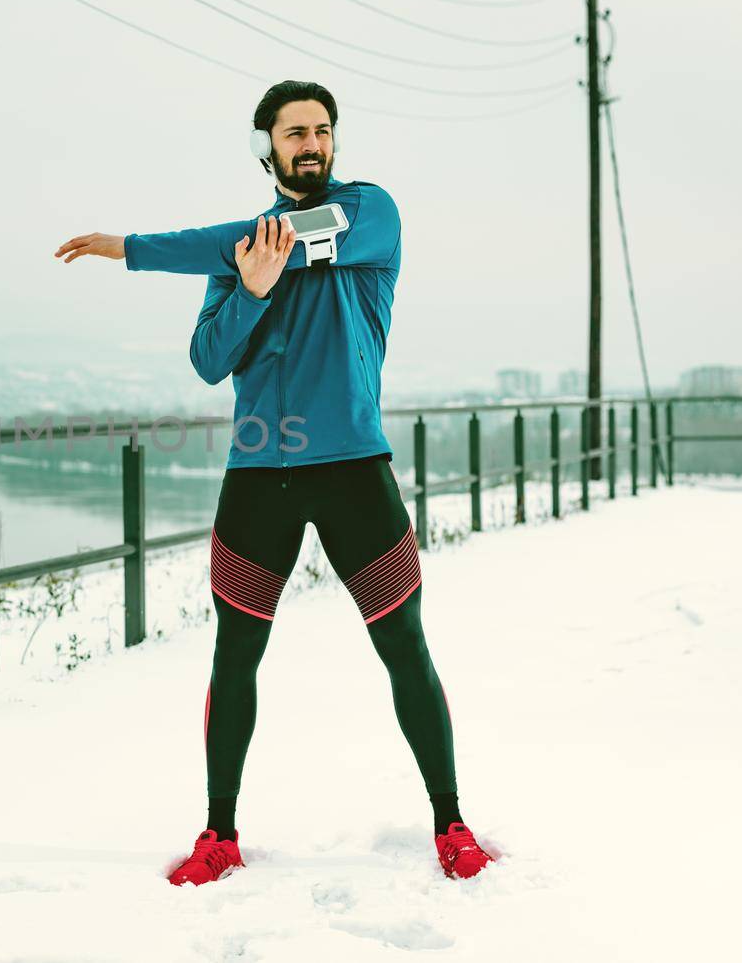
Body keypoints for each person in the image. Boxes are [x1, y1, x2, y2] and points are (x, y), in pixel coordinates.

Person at [54, 80, 494, 885]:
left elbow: (272, 238)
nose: (313, 143)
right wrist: (251, 290)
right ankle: (219, 832)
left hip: (354, 469)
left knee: (403, 645)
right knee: (235, 653)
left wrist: (135, 246)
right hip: (260, 471)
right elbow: (207, 359)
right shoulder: (237, 264)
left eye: (323, 130)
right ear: (267, 146)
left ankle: (451, 822)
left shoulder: (370, 216)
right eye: (295, 132)